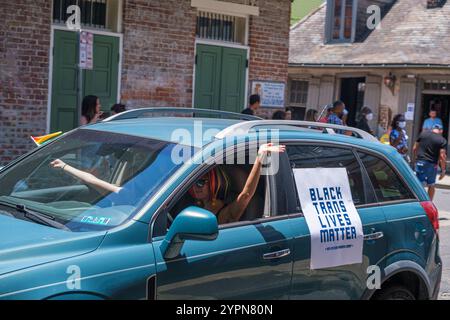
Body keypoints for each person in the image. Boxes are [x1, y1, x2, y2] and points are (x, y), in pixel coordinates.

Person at [50, 143, 285, 225]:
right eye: (194, 181)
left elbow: (245, 195)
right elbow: (108, 188)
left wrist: (259, 158)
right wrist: (66, 168)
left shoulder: (224, 213)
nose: (196, 186)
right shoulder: (180, 198)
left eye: (202, 181)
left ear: (214, 183)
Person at [412, 123, 447, 200]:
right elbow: (442, 156)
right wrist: (443, 170)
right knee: (431, 185)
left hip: (420, 162)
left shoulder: (423, 134)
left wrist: (415, 160)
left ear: (432, 129)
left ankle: (418, 201)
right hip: (432, 165)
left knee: (419, 184)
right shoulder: (442, 140)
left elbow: (414, 148)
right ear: (441, 131)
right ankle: (429, 203)